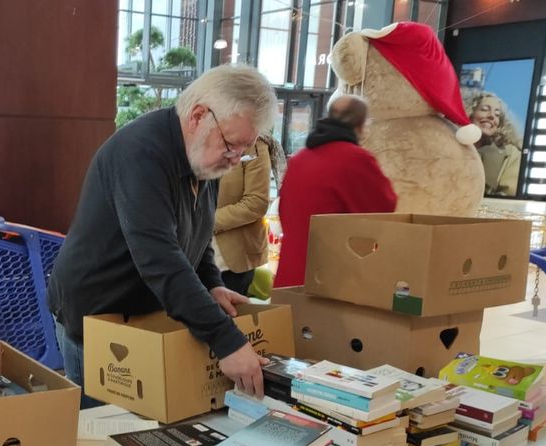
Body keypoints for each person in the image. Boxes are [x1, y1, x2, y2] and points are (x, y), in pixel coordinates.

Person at [47, 65, 278, 408]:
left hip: (143, 313)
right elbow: (159, 257)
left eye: (242, 150)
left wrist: (211, 284)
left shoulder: (203, 157)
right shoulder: (142, 153)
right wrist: (227, 341)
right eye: (231, 145)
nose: (233, 160)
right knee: (102, 428)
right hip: (96, 315)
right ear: (198, 116)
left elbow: (198, 233)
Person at [273, 95, 397, 289]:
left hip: (291, 271)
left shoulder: (299, 159)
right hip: (331, 277)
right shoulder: (356, 159)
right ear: (361, 125)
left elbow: (284, 210)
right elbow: (384, 206)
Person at [213, 132, 286, 296]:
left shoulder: (254, 141)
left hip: (232, 257)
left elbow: (256, 203)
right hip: (191, 252)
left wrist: (206, 222)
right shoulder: (198, 137)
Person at [466, 91, 523, 197]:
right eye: (484, 109)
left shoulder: (511, 154)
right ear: (470, 113)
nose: (491, 116)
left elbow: (508, 194)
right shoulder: (452, 145)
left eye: (497, 115)